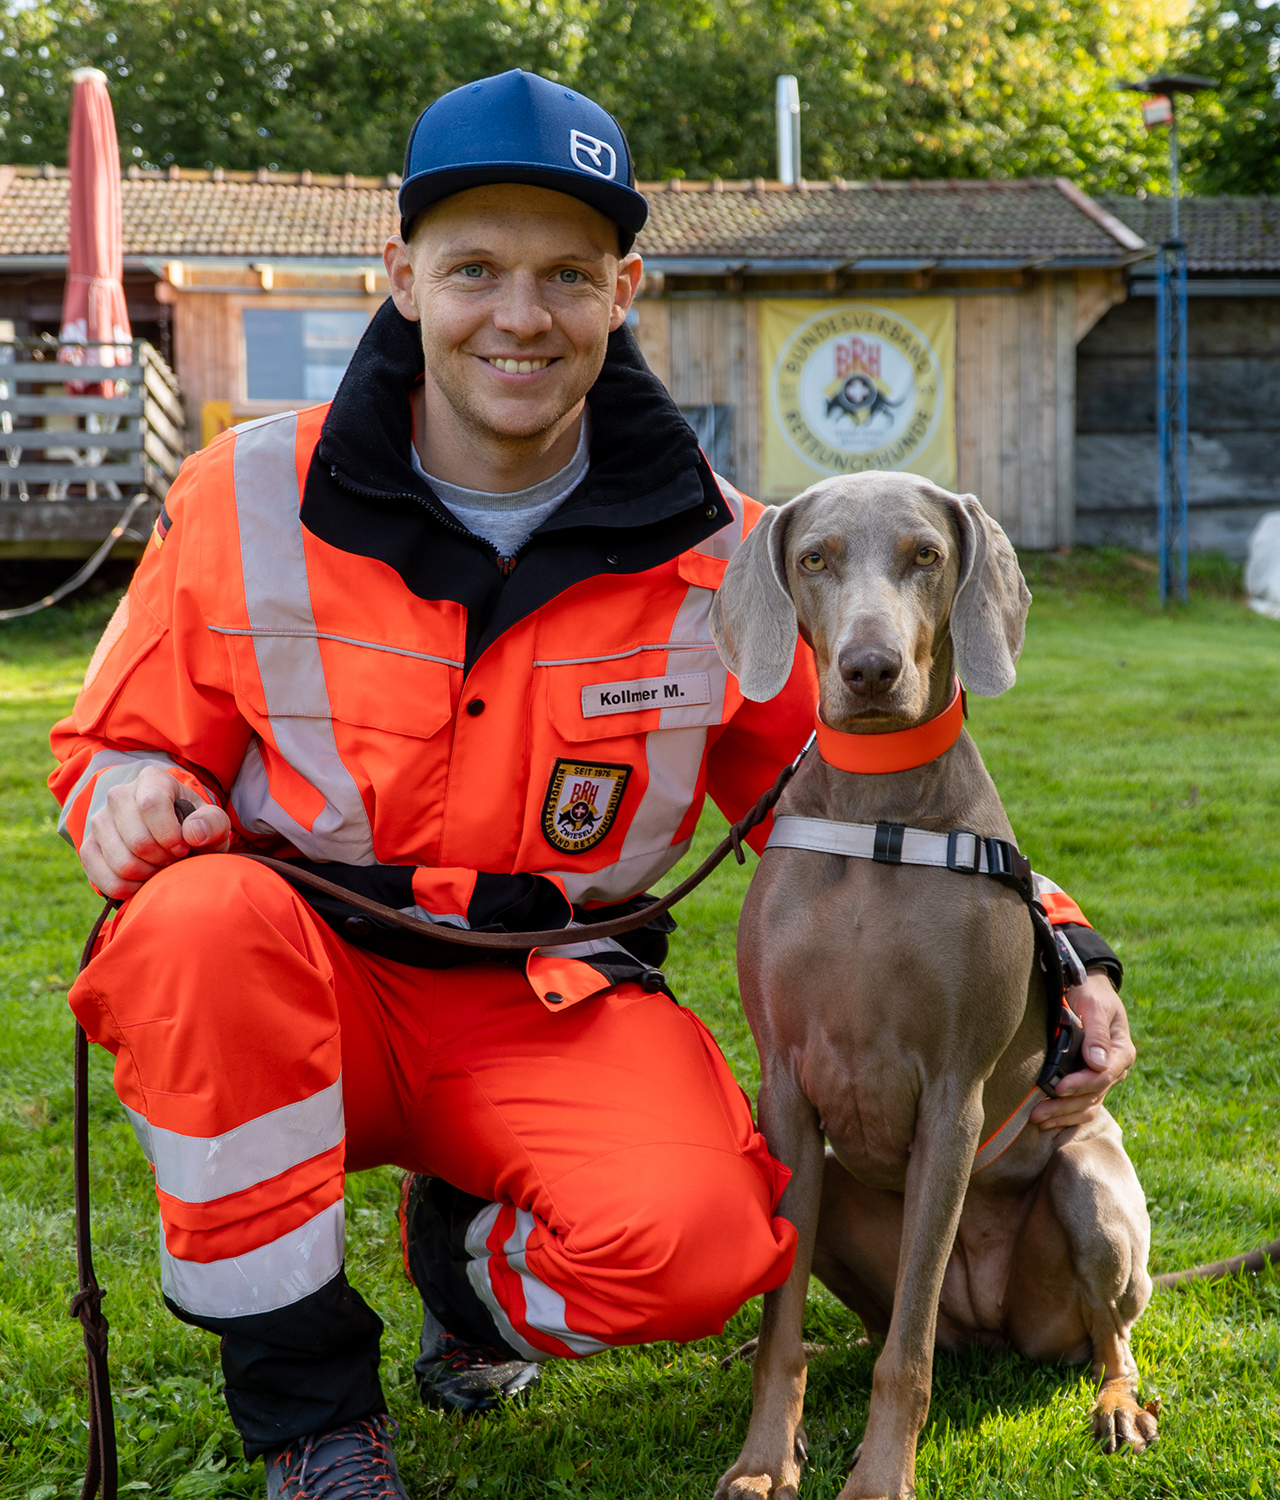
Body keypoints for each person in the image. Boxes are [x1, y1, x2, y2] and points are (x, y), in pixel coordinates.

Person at [49, 70, 1135, 1498]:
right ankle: (313, 1421)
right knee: (190, 929)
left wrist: (1060, 940)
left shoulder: (734, 560)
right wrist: (127, 787)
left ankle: (466, 1272)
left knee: (705, 1245)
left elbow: (861, 781)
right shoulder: (244, 495)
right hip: (306, 982)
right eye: (476, 268)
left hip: (545, 1006)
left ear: (623, 288)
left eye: (567, 273)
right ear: (402, 277)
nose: (521, 314)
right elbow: (109, 748)